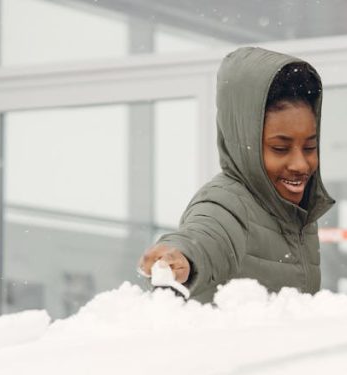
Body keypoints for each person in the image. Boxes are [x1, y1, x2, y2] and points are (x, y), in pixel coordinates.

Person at [137, 47, 334, 303]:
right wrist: (180, 254)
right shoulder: (227, 202)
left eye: (309, 147)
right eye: (280, 148)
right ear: (244, 143)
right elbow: (205, 235)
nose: (300, 164)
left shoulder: (295, 216)